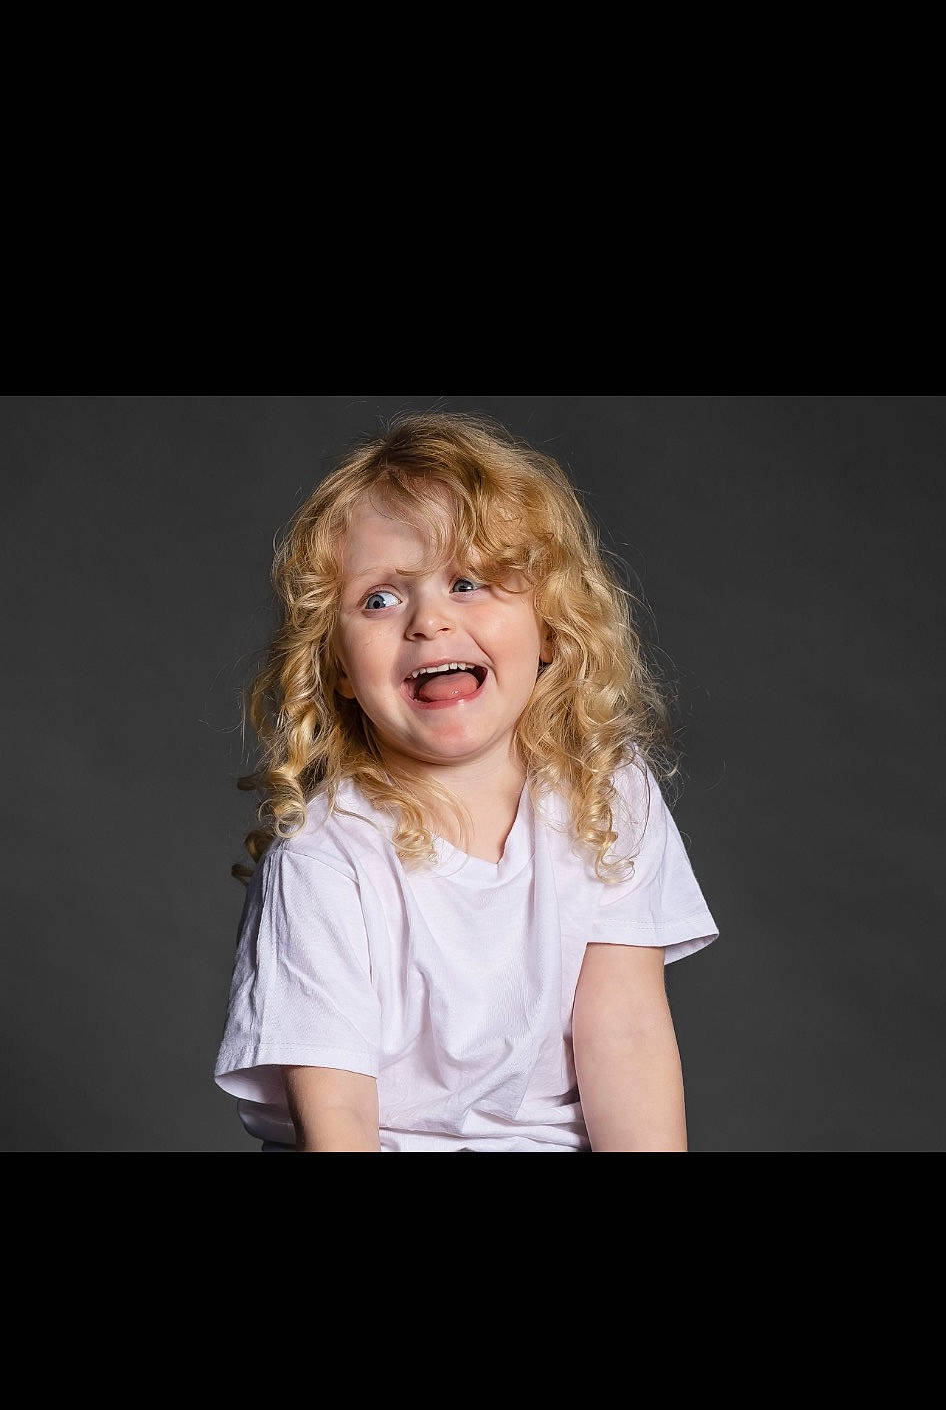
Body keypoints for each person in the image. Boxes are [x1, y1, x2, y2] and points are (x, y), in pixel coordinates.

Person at [212, 409, 719, 1152]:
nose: (428, 621)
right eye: (380, 598)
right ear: (339, 669)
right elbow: (340, 1119)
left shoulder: (606, 794)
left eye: (470, 581)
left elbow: (628, 1038)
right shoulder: (324, 860)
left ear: (550, 625)